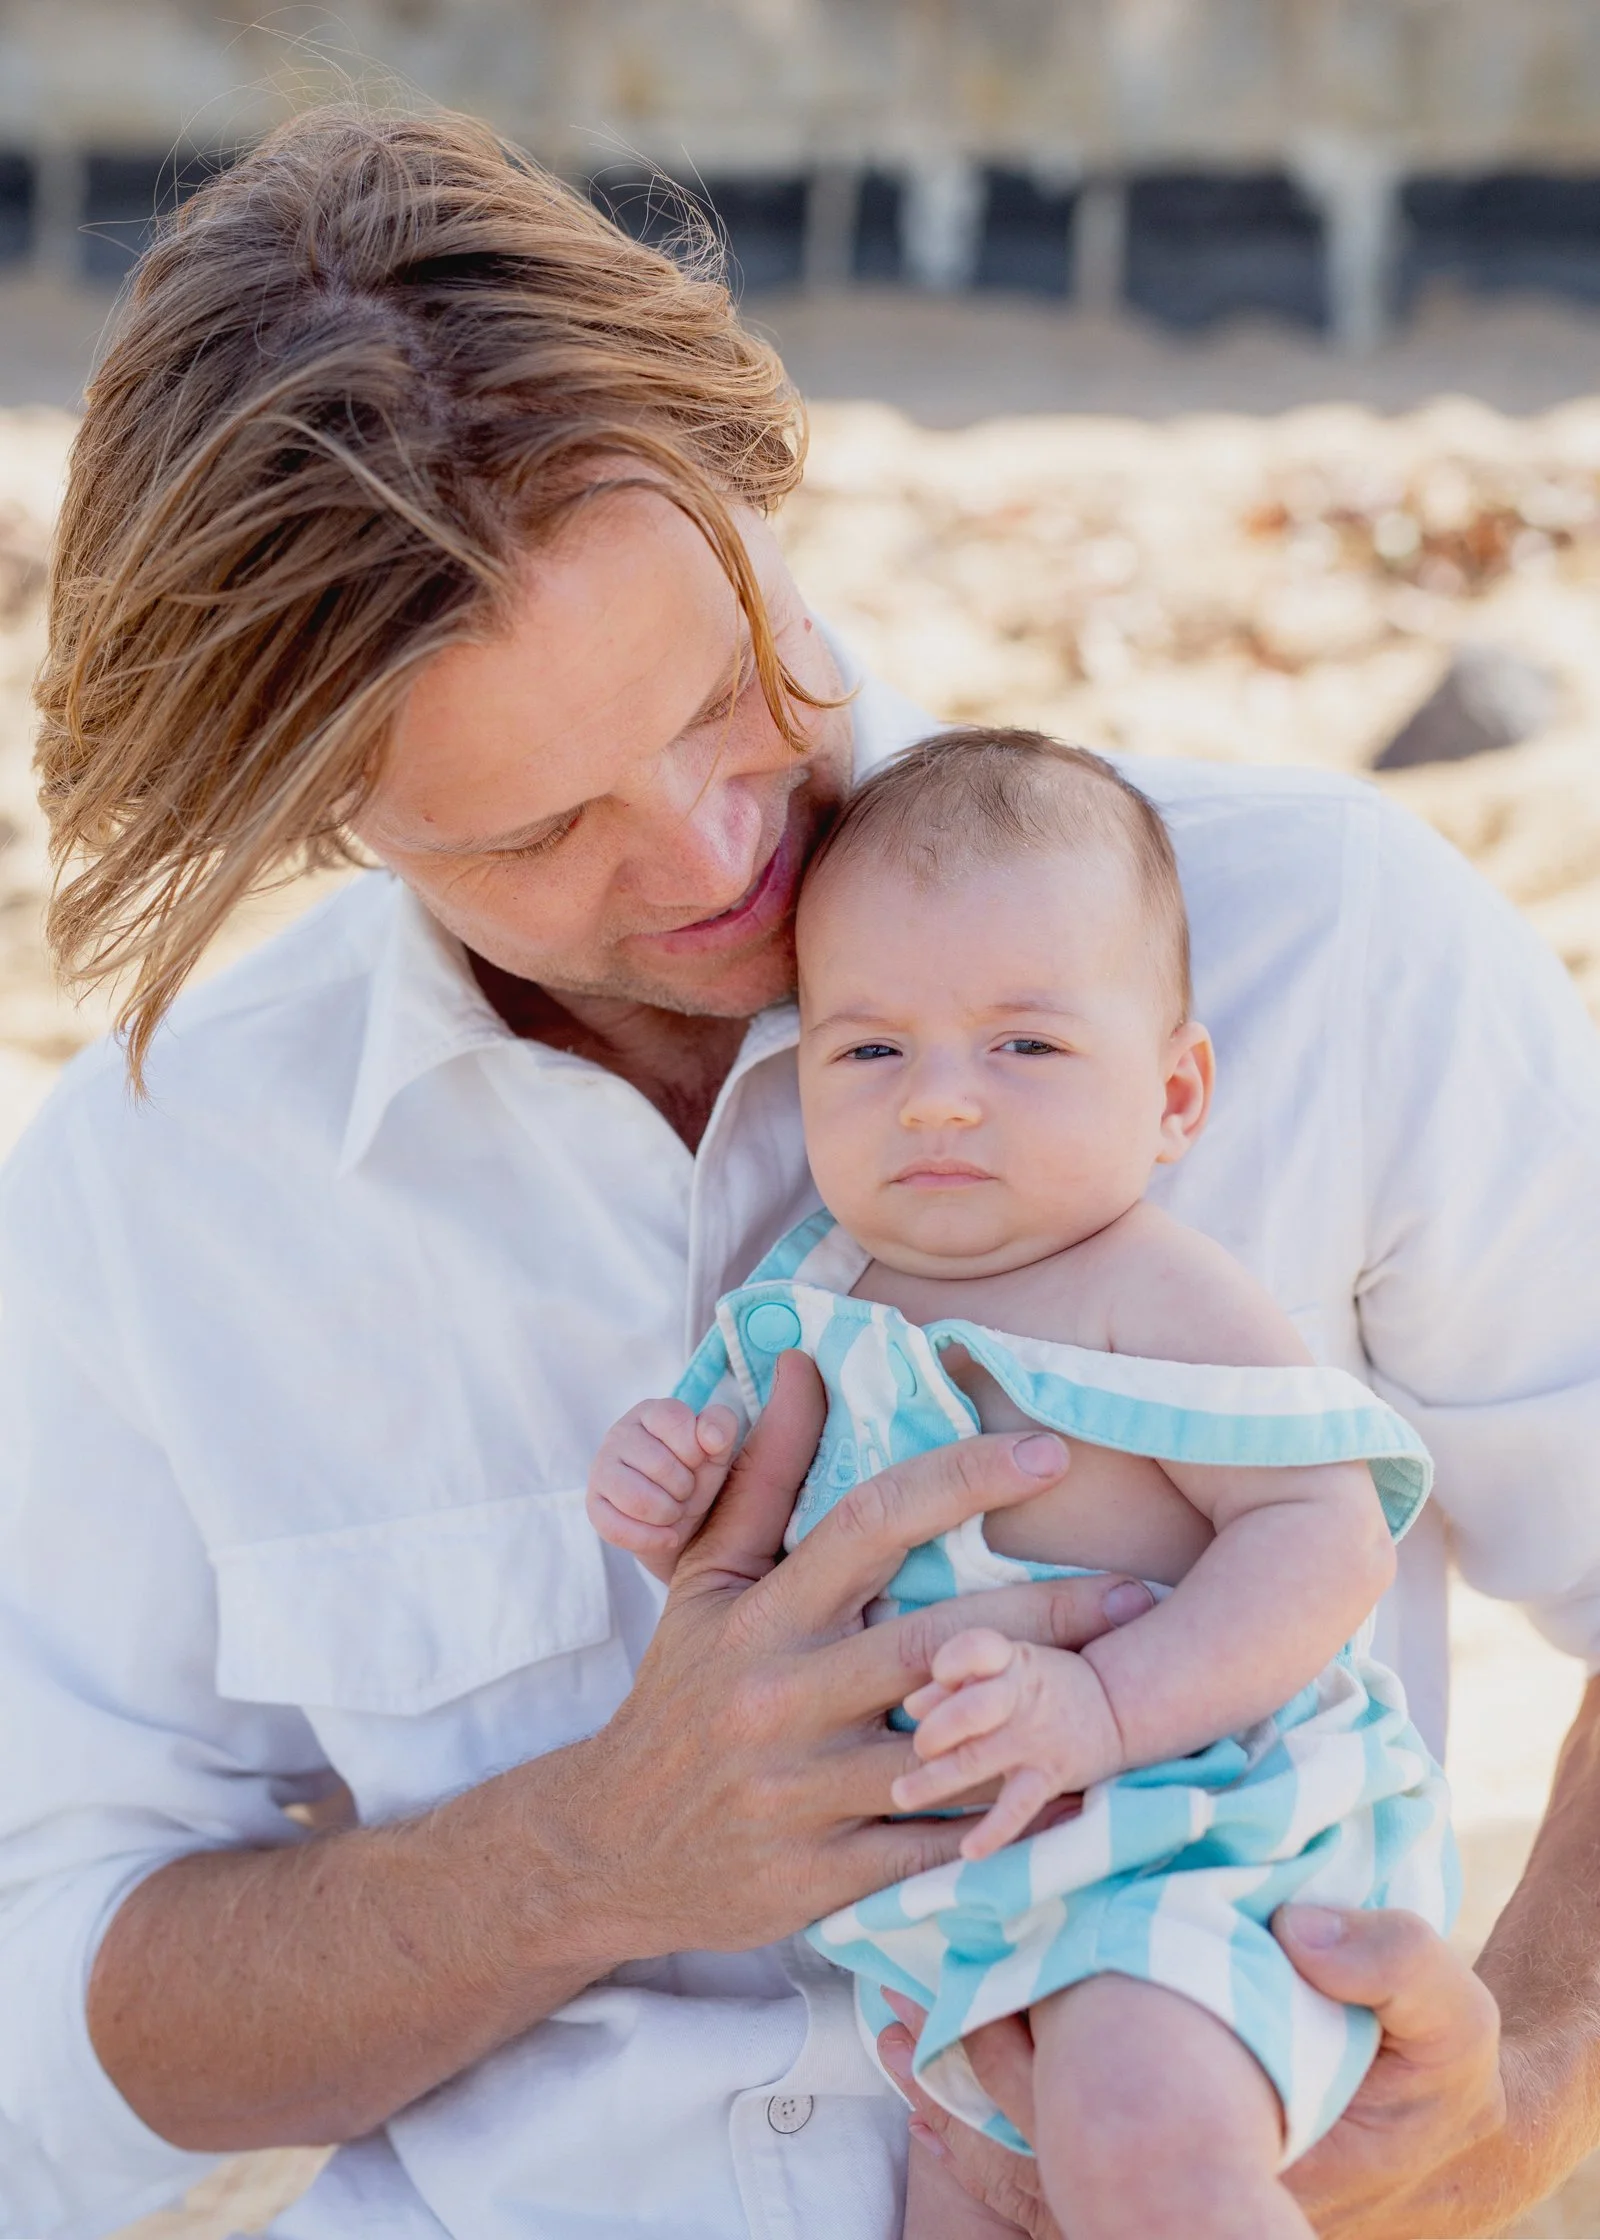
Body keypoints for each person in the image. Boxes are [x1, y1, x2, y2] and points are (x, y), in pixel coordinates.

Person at [0, 102, 1596, 2240]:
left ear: (750, 487)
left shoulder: (1326, 941)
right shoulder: (157, 1182)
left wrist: (1532, 2091)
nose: (709, 853)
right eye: (529, 832)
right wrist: (586, 1855)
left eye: (713, 690)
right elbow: (56, 2037)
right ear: (318, 819)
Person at [587, 729, 1456, 2240]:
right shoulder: (813, 1309)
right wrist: (670, 1500)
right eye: (871, 1050)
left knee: (1146, 2145)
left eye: (1025, 1047)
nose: (936, 1100)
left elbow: (1326, 1540)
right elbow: (770, 1581)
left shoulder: (1156, 1293)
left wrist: (1107, 1709)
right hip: (959, 1913)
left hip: (1190, 1846)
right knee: (968, 2193)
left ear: (1176, 1095)